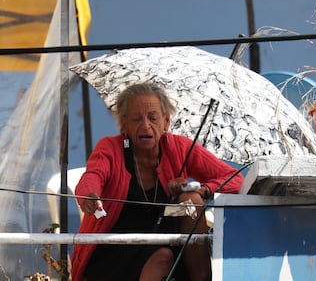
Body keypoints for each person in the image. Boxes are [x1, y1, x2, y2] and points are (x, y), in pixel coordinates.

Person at [71, 82, 244, 281]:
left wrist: (201, 189)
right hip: (117, 240)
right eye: (136, 119)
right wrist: (89, 195)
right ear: (124, 125)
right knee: (162, 257)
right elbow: (93, 176)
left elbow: (236, 179)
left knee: (190, 202)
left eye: (153, 118)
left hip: (165, 221)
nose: (145, 125)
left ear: (166, 122)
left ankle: (202, 278)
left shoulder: (179, 147)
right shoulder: (110, 148)